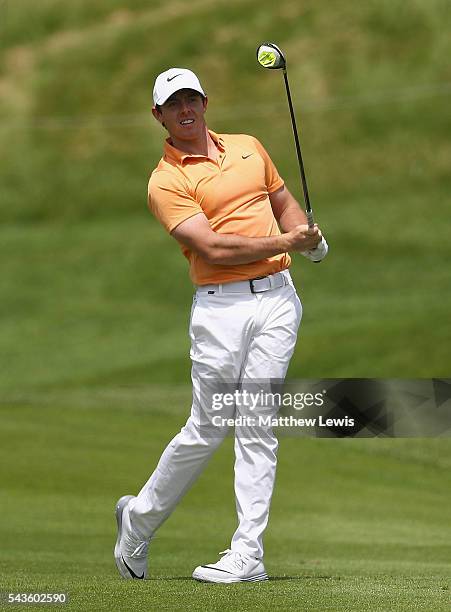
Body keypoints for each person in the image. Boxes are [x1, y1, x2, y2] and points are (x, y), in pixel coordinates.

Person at [114, 67, 328, 583]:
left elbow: (278, 198)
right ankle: (137, 523)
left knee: (257, 422)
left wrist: (305, 232)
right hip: (219, 311)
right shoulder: (166, 182)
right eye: (173, 104)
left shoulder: (249, 146)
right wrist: (286, 244)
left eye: (191, 99)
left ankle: (247, 554)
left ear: (205, 102)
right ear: (158, 115)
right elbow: (211, 247)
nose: (185, 110)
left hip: (278, 301)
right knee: (207, 428)